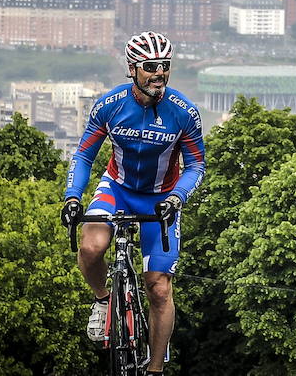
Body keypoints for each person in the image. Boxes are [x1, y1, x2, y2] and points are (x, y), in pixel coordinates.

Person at [61, 31, 205, 376]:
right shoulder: (110, 105)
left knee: (158, 287)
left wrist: (176, 197)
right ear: (132, 69)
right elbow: (83, 154)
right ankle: (102, 299)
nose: (159, 73)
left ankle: (154, 369)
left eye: (165, 66)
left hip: (161, 197)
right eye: (151, 66)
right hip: (118, 187)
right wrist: (72, 197)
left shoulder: (184, 112)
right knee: (92, 247)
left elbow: (196, 165)